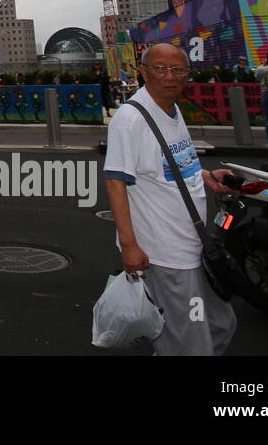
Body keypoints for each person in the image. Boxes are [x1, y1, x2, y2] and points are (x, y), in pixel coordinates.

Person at [103, 43, 236, 356]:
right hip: (165, 252)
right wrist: (131, 246)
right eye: (160, 69)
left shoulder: (172, 110)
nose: (169, 76)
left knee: (220, 325)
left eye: (178, 70)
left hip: (194, 244)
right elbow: (115, 182)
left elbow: (176, 162)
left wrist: (205, 176)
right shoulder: (131, 119)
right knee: (191, 344)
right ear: (144, 72)